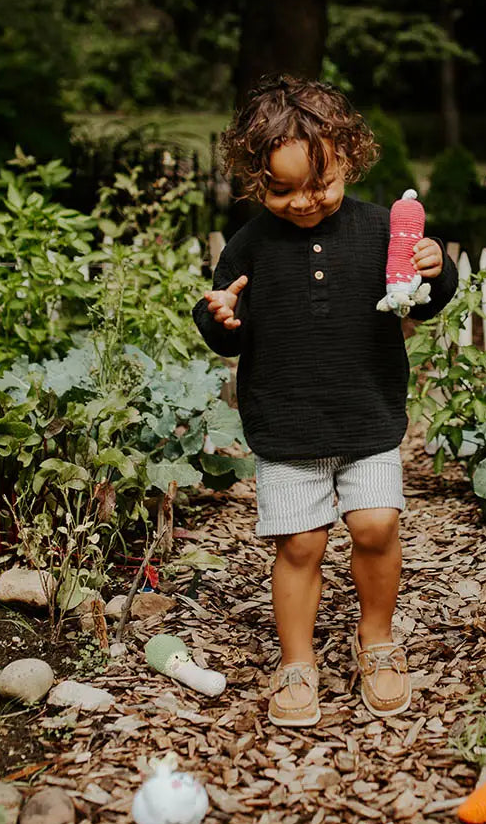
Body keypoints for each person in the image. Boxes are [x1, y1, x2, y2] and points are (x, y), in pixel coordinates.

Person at [192, 76, 458, 728]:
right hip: (285, 418)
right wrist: (218, 315)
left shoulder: (377, 231)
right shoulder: (250, 246)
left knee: (375, 527)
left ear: (349, 159)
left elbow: (424, 299)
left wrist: (435, 268)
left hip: (366, 412)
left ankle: (377, 642)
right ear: (256, 181)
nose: (303, 201)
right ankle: (297, 662)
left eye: (320, 184)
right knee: (301, 545)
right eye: (281, 189)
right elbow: (229, 325)